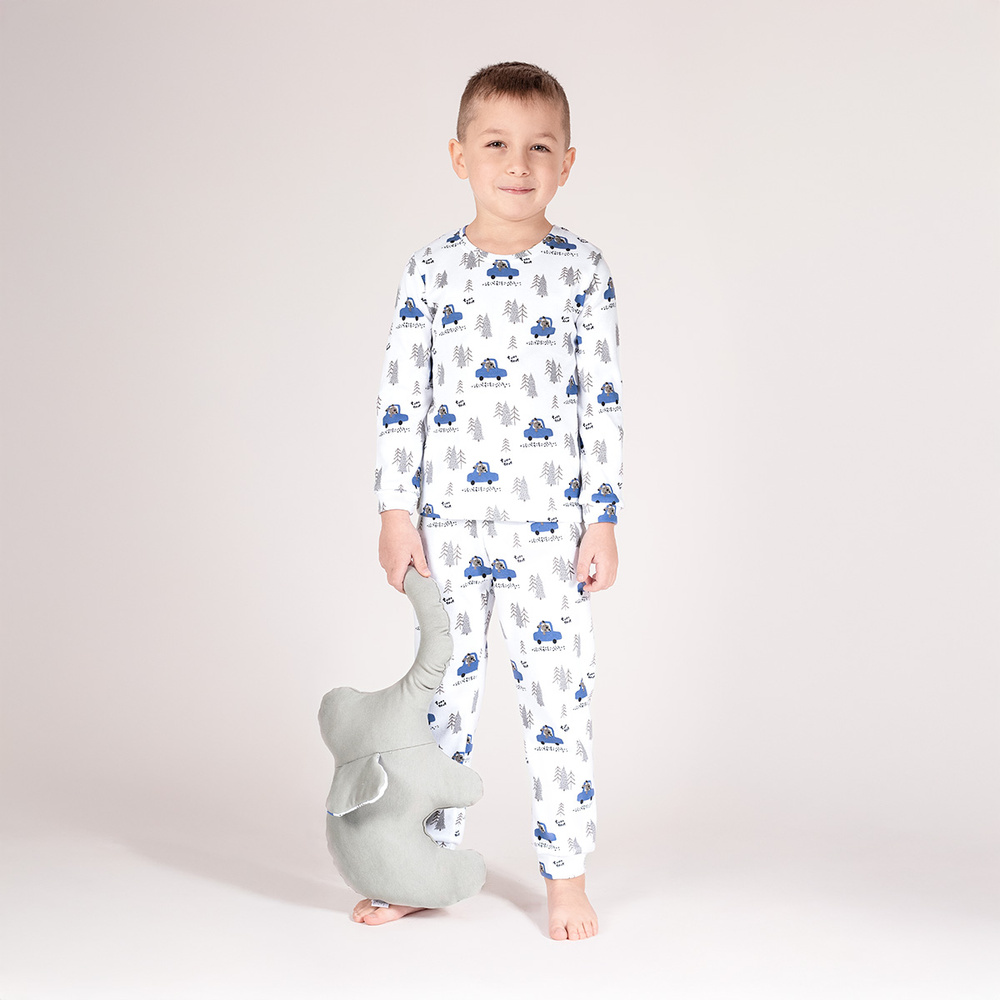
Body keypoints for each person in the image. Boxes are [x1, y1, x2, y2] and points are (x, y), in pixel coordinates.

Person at [359, 61, 624, 941]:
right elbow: (402, 398)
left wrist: (603, 519)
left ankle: (566, 878)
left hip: (552, 536)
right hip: (447, 530)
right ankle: (424, 866)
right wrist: (395, 511)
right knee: (439, 709)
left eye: (540, 147)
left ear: (567, 163)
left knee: (559, 705)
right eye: (497, 144)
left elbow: (601, 403)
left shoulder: (583, 271)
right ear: (459, 156)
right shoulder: (431, 271)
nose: (518, 164)